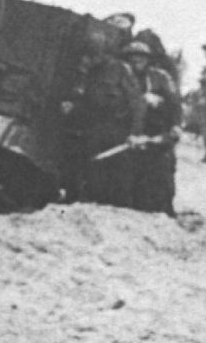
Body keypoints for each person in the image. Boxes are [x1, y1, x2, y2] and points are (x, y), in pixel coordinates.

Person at [67, 30, 145, 208]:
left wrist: (134, 133)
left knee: (120, 180)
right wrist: (74, 106)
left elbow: (137, 103)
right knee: (94, 175)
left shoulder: (120, 69)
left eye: (94, 54)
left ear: (103, 53)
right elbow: (87, 100)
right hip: (94, 129)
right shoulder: (90, 73)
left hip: (119, 131)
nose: (91, 59)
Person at [124, 41, 181, 216]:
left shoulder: (160, 78)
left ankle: (165, 209)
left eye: (141, 58)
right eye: (133, 58)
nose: (137, 61)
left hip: (157, 135)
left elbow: (174, 104)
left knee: (162, 178)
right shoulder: (123, 77)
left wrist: (175, 126)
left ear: (148, 60)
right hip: (130, 137)